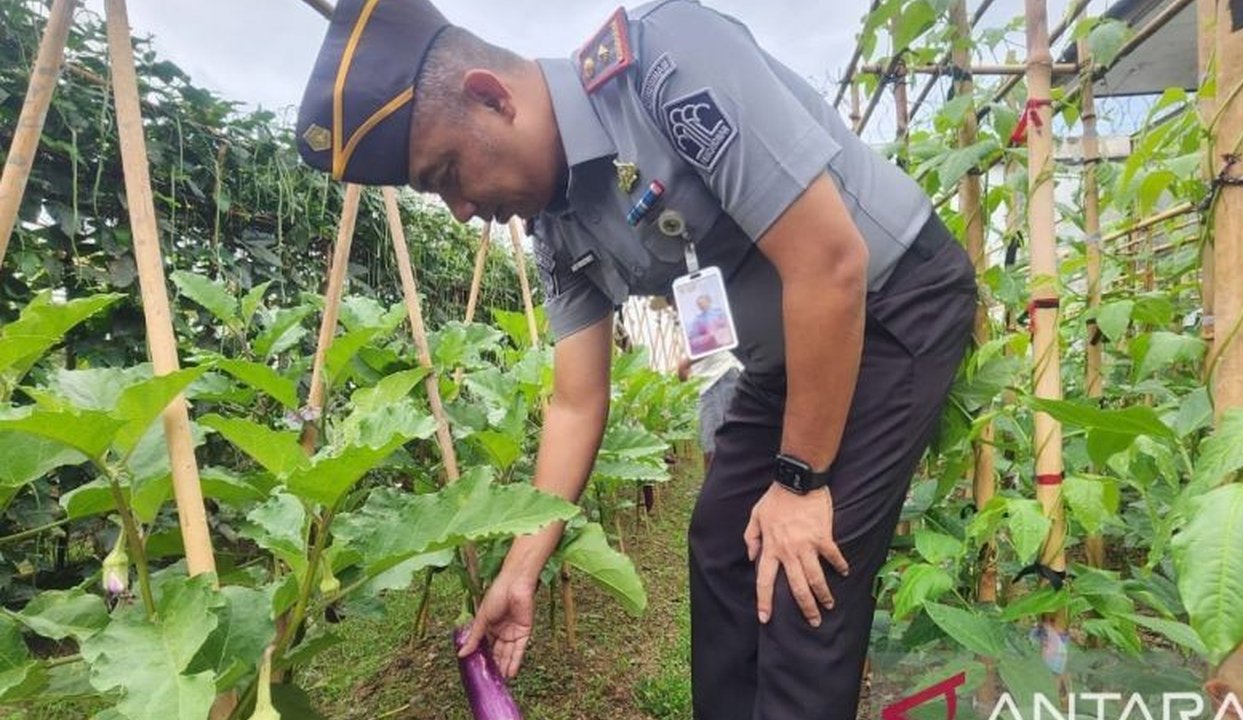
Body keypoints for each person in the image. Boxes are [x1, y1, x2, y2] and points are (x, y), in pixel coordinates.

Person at [295, 1, 976, 718]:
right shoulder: (555, 229)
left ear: (491, 98)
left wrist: (800, 486)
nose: (460, 210)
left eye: (447, 174)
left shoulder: (663, 65)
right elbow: (576, 402)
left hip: (889, 307)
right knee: (721, 547)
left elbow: (830, 264)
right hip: (786, 360)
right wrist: (522, 567)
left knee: (804, 579)